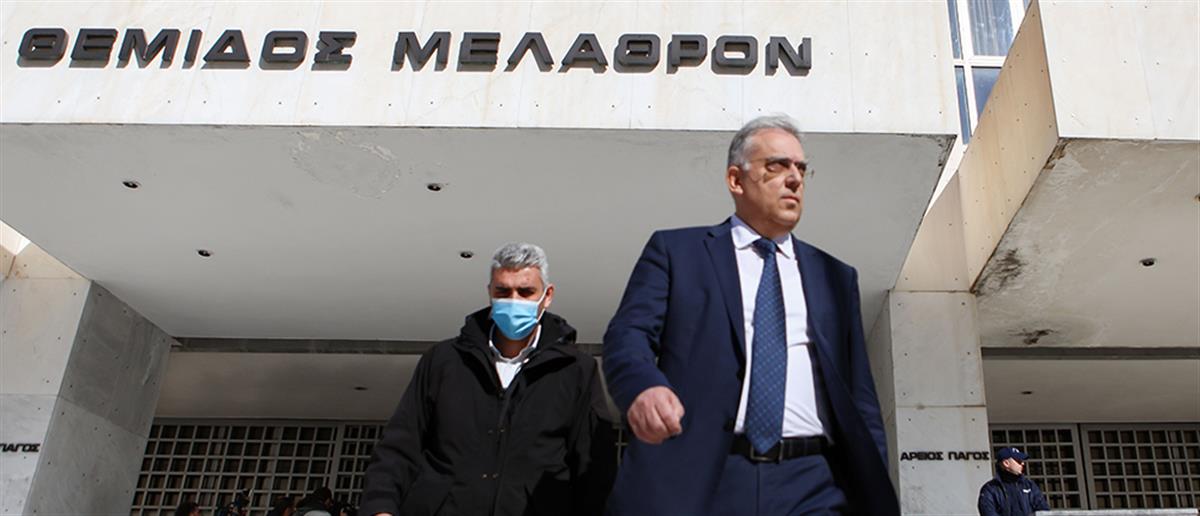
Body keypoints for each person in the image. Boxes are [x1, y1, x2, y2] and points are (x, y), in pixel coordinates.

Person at [602, 115, 899, 515]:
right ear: (736, 179)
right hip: (708, 477)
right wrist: (643, 387)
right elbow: (628, 335)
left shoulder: (835, 276)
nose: (794, 179)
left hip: (815, 483)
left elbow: (861, 398)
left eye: (801, 169)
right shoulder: (677, 253)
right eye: (777, 165)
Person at [359, 243, 616, 516]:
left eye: (526, 292)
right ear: (490, 292)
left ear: (547, 295)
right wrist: (380, 508)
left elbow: (595, 470)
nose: (514, 301)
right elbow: (400, 445)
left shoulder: (576, 370)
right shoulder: (444, 360)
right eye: (503, 291)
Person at [978, 446, 1051, 516]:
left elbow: (1043, 511)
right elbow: (988, 512)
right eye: (1018, 461)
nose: (1022, 463)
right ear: (1006, 463)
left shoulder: (1029, 486)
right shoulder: (990, 489)